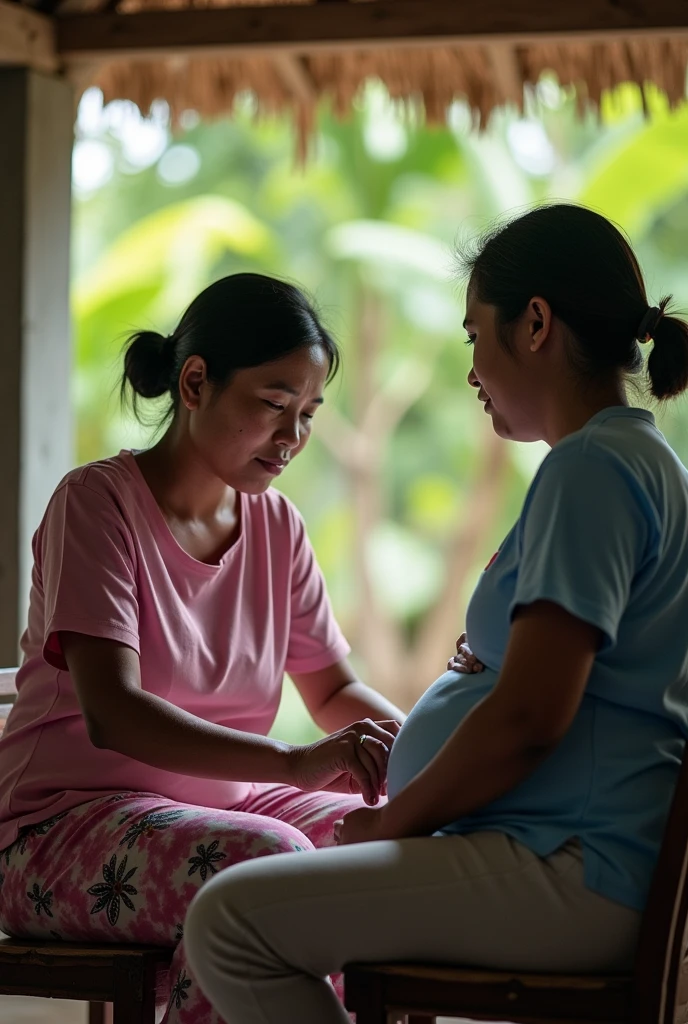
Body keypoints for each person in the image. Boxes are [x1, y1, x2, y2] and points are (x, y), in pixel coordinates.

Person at [183, 203, 688, 1024]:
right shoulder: (639, 461)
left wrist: (394, 822)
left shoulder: (592, 470)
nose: (472, 369)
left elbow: (530, 714)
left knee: (231, 920)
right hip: (578, 855)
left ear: (535, 325)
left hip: (572, 867)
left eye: (473, 336)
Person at [0, 273, 404, 1024]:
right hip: (57, 834)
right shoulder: (96, 504)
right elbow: (113, 715)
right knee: (267, 863)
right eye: (274, 405)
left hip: (221, 814)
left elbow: (333, 689)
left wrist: (420, 751)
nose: (292, 438)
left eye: (309, 414)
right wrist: (293, 762)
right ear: (194, 383)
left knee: (385, 840)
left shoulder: (277, 527)